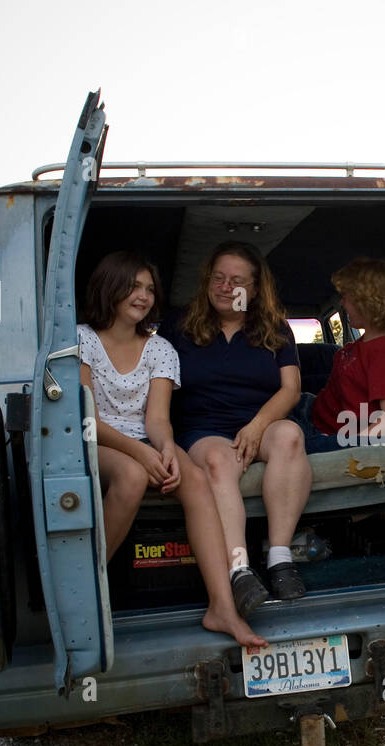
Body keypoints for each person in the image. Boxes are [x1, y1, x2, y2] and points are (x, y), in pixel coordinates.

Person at [77, 250, 265, 649]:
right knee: (130, 476)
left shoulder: (160, 347)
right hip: (100, 438)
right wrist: (142, 455)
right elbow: (89, 419)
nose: (142, 295)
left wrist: (163, 449)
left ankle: (222, 609)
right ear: (108, 288)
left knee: (195, 480)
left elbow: (158, 420)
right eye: (132, 286)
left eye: (149, 288)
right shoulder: (82, 341)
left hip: (145, 438)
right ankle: (85, 591)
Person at [158, 241, 313, 617]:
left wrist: (258, 426)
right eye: (219, 278)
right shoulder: (178, 327)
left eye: (237, 281)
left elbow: (291, 389)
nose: (226, 287)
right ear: (207, 281)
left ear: (256, 289)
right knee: (216, 461)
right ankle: (239, 569)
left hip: (261, 421)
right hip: (202, 427)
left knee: (291, 436)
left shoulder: (274, 328)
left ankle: (279, 558)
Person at [295, 257, 385, 442]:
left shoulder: (383, 350)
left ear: (367, 301)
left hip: (317, 426)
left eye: (346, 297)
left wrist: (351, 443)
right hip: (312, 409)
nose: (342, 303)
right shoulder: (364, 343)